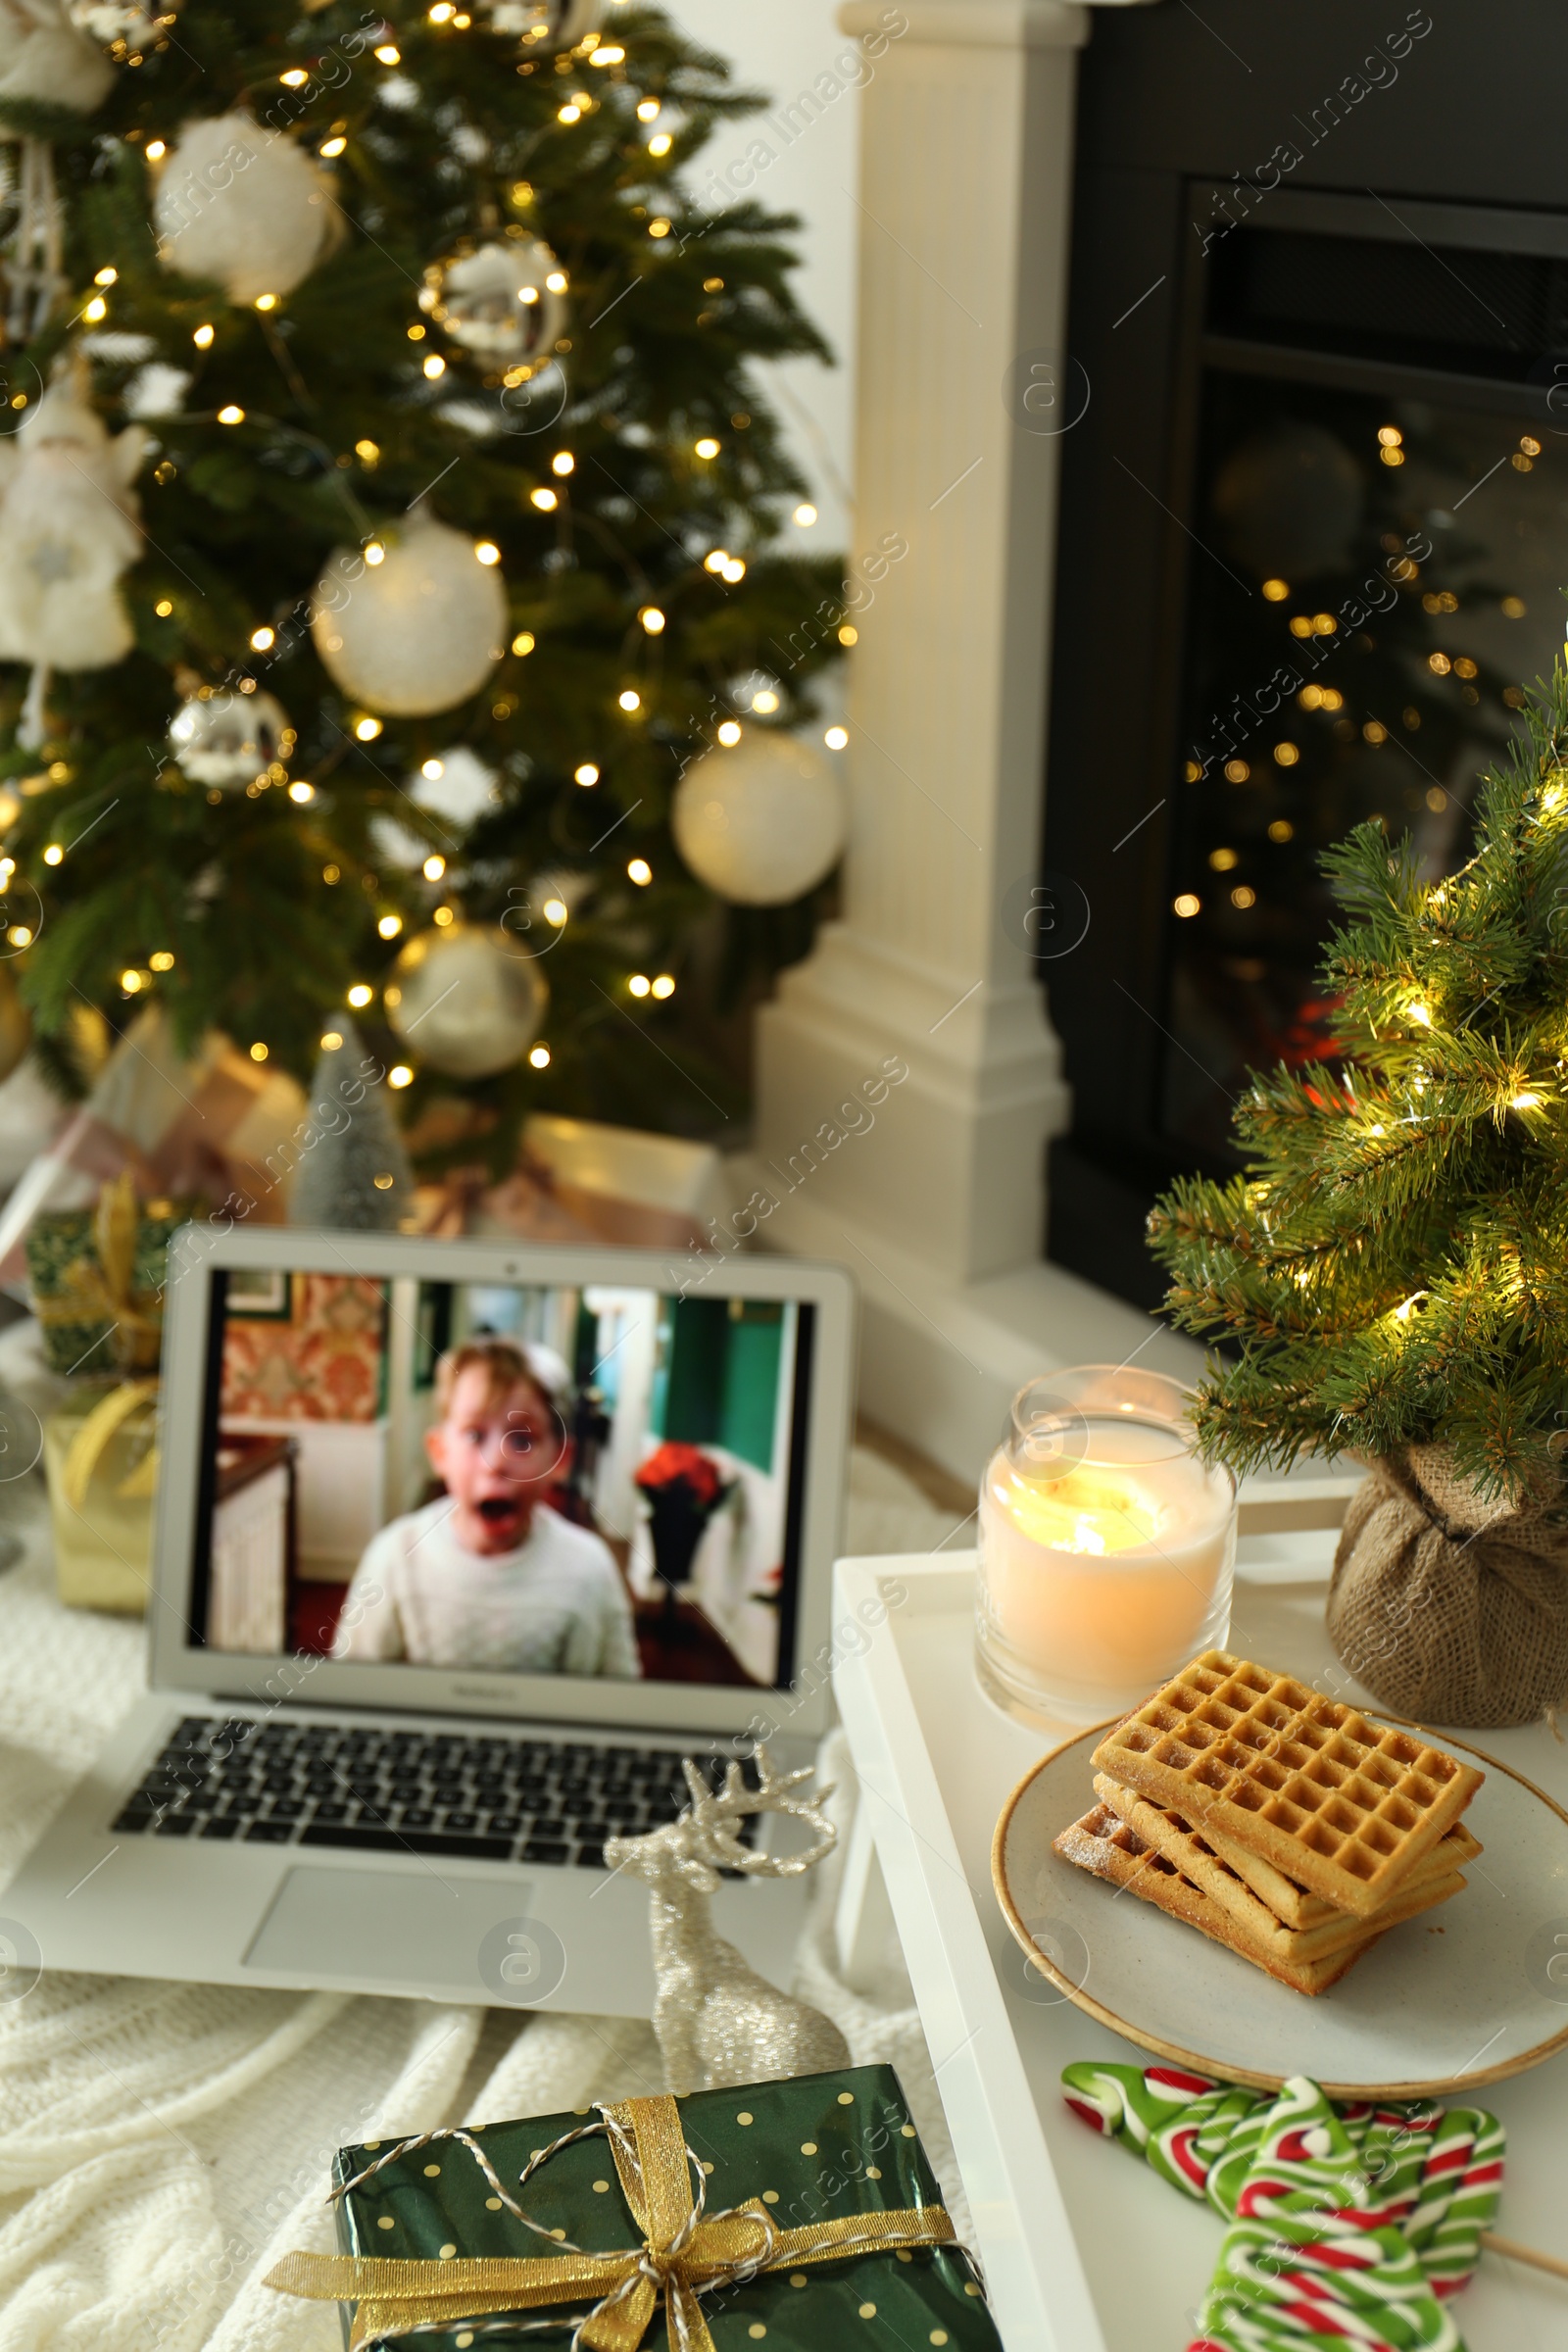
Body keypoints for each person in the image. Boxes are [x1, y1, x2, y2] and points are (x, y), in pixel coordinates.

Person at [331, 1338, 641, 1676]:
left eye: (523, 1440)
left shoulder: (590, 1571)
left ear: (560, 1459)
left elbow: (617, 1692)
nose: (496, 1462)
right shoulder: (394, 1559)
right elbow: (352, 1681)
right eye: (475, 1435)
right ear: (439, 1452)